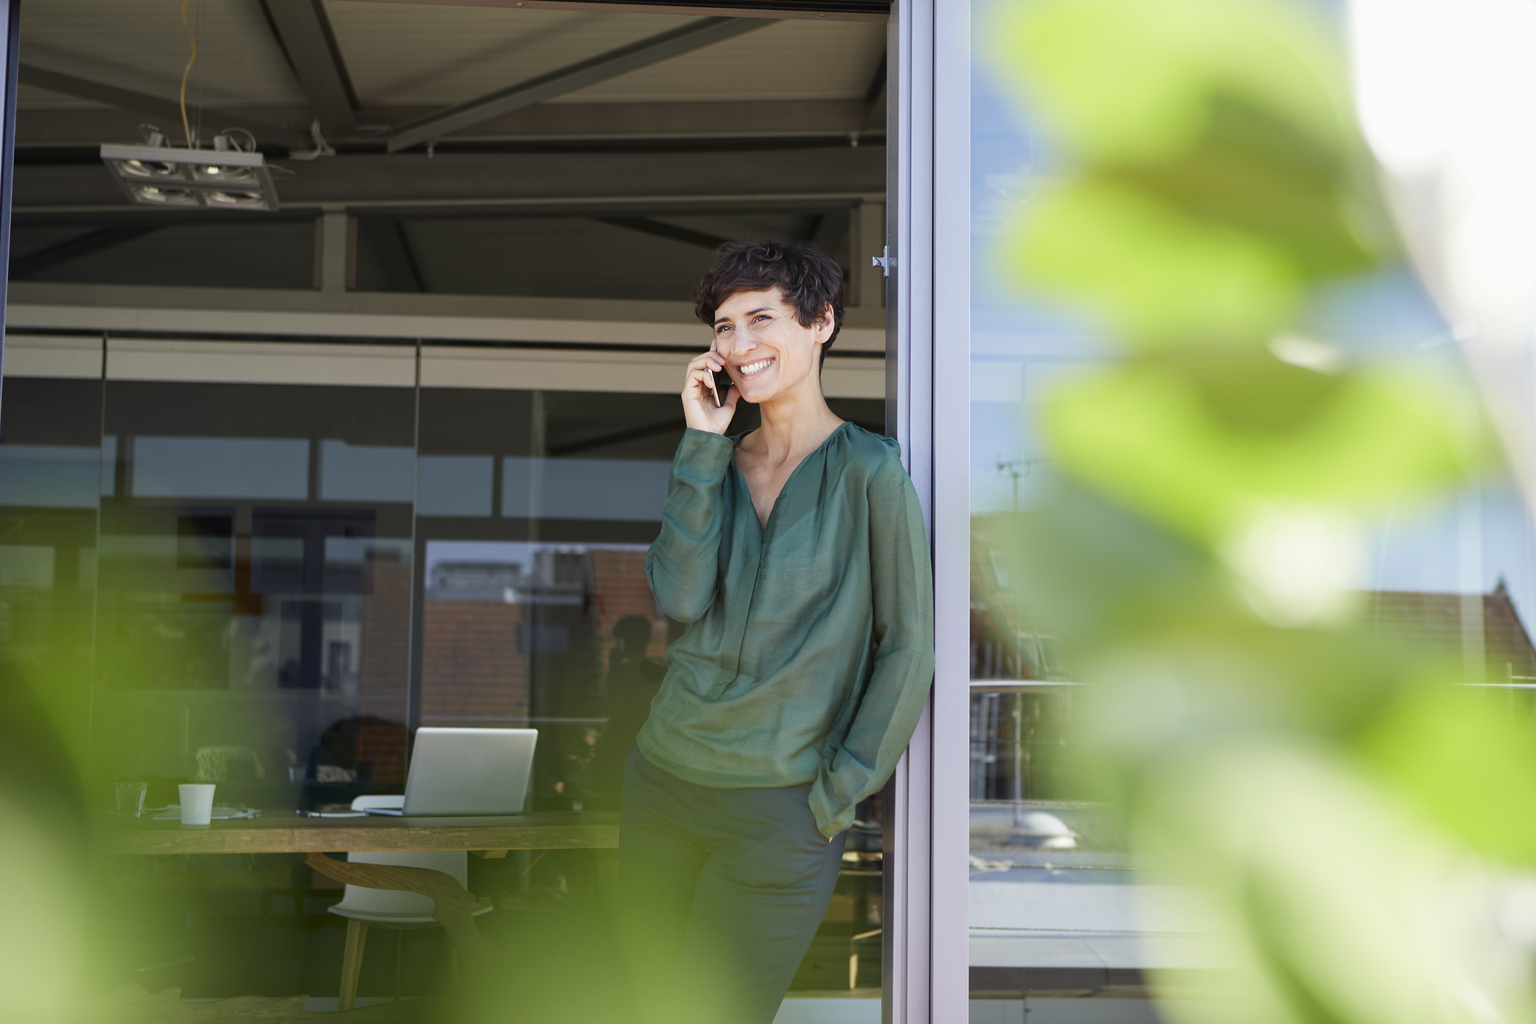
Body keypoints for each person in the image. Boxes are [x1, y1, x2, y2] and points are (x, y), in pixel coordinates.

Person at [617, 240, 935, 1024]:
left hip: (781, 808)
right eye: (723, 327)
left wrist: (837, 791)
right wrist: (700, 442)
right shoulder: (714, 465)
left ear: (821, 323)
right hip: (663, 782)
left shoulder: (871, 473)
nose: (737, 344)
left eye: (761, 318)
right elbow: (680, 598)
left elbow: (909, 645)